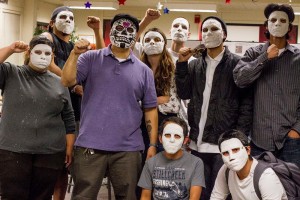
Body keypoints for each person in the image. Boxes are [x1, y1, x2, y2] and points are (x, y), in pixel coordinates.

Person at [61, 13, 158, 200]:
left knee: (128, 196)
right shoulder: (90, 58)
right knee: (83, 196)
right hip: (90, 145)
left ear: (135, 36)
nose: (124, 32)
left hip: (128, 149)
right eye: (119, 28)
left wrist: (152, 145)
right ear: (110, 31)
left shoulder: (144, 71)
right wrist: (74, 54)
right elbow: (66, 81)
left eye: (130, 30)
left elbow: (150, 109)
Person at [175, 16, 252, 200]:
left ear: (224, 35)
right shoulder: (194, 64)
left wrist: (238, 138)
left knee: (222, 194)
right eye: (205, 30)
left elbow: (246, 105)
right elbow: (184, 93)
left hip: (223, 145)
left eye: (214, 29)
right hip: (196, 143)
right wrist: (182, 64)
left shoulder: (237, 64)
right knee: (199, 192)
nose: (209, 33)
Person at [0, 36, 75, 199]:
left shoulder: (59, 82)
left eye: (47, 53)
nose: (43, 56)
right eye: (38, 52)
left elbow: (68, 117)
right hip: (13, 151)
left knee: (42, 196)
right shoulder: (12, 73)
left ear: (52, 56)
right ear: (29, 53)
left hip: (50, 152)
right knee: (12, 195)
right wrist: (11, 49)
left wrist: (69, 147)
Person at [42, 6, 105, 200]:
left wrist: (96, 30)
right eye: (62, 17)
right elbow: (49, 65)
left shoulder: (73, 48)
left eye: (71, 17)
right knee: (51, 165)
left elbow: (103, 58)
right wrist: (73, 84)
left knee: (66, 165)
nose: (67, 20)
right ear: (52, 22)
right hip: (52, 107)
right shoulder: (47, 39)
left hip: (74, 110)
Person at [233, 3, 300, 166]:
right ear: (267, 25)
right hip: (259, 139)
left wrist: (297, 130)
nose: (277, 23)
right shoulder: (253, 53)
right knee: (258, 186)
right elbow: (240, 79)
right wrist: (264, 58)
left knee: (292, 187)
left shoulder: (298, 59)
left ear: (290, 27)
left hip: (290, 140)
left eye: (282, 21)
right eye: (273, 20)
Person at [138, 117, 205, 200]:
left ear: (185, 140)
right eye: (167, 135)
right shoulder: (151, 163)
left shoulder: (196, 163)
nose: (172, 140)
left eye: (177, 136)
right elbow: (145, 197)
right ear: (160, 138)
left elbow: (194, 198)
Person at [211, 129, 287, 200]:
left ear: (247, 150)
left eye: (236, 150)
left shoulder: (266, 176)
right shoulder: (226, 170)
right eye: (225, 153)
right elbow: (216, 197)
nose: (231, 157)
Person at [140, 27, 180, 155]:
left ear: (164, 44)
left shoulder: (173, 68)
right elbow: (133, 100)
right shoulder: (137, 69)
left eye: (157, 39)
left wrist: (147, 101)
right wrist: (157, 100)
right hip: (141, 124)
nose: (152, 42)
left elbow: (172, 102)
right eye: (147, 40)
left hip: (167, 122)